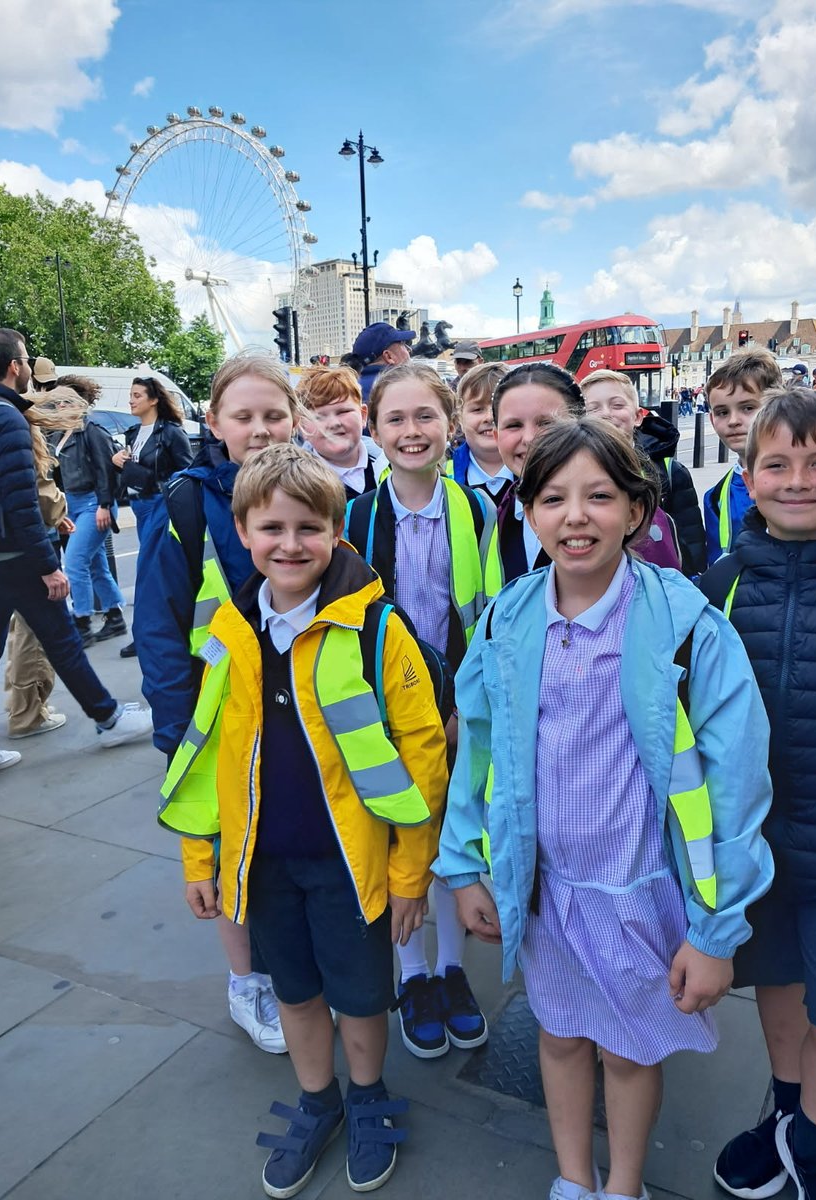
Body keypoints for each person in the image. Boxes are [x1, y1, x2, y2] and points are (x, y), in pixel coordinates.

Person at [437, 416, 774, 1200]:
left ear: (637, 509)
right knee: (558, 1038)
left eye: (599, 495)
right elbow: (476, 757)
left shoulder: (689, 628)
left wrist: (716, 931)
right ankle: (572, 1178)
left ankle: (622, 1186)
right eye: (553, 498)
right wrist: (464, 864)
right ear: (528, 512)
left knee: (628, 1053)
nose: (575, 515)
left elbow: (736, 789)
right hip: (546, 890)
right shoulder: (508, 620)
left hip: (641, 892)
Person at [159, 443, 448, 1197]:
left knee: (359, 996)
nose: (290, 545)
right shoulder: (228, 630)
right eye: (272, 529)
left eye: (308, 529)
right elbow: (204, 754)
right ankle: (318, 1101)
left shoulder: (378, 629)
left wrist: (411, 875)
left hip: (351, 866)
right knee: (294, 992)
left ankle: (367, 1093)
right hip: (264, 863)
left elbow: (421, 761)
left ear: (337, 529)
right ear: (246, 532)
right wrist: (202, 861)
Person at [699, 388, 816, 1200]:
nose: (798, 479)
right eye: (778, 464)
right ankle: (789, 1114)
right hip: (757, 848)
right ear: (750, 477)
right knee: (782, 990)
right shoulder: (724, 581)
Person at [134, 353, 302, 1053]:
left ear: (294, 421)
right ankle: (246, 984)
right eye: (244, 416)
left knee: (279, 847)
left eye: (274, 415)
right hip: (215, 721)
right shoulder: (183, 504)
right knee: (229, 852)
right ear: (214, 421)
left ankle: (286, 964)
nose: (260, 429)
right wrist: (176, 732)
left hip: (295, 714)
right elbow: (158, 628)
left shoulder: (312, 493)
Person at [345, 360, 501, 1060]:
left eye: (425, 417)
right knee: (399, 832)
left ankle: (451, 971)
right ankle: (412, 975)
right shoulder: (353, 515)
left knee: (452, 837)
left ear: (452, 425)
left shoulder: (476, 510)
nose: (413, 432)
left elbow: (488, 611)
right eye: (396, 419)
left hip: (461, 703)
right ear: (375, 431)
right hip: (385, 708)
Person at [0, 328, 152, 785]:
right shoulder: (5, 419)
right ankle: (108, 719)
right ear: (15, 367)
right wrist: (48, 565)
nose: (29, 367)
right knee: (62, 639)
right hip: (15, 555)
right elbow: (20, 500)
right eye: (26, 359)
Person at [4, 387, 87, 738]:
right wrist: (59, 511)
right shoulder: (17, 423)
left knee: (18, 631)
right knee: (35, 633)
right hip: (32, 543)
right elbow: (37, 488)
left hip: (3, 545)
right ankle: (28, 715)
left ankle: (23, 709)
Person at [111, 376, 193, 658]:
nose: (131, 400)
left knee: (148, 573)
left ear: (154, 399)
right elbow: (132, 465)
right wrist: (119, 462)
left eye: (137, 395)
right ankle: (151, 632)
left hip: (159, 504)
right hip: (138, 505)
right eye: (131, 395)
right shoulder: (133, 433)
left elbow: (186, 473)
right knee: (151, 572)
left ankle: (147, 634)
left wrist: (156, 484)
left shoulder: (170, 432)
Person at [47, 384, 126, 647]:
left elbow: (106, 469)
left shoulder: (91, 431)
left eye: (65, 403)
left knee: (76, 562)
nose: (60, 408)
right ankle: (114, 616)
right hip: (74, 503)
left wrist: (105, 504)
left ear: (78, 404)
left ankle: (82, 622)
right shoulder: (59, 434)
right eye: (57, 404)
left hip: (94, 502)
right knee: (95, 565)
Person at [581, 369, 683, 570]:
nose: (606, 414)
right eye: (593, 408)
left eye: (617, 405)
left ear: (637, 416)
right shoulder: (574, 474)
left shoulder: (670, 472)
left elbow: (689, 540)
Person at [492, 362, 583, 581]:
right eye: (514, 425)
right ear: (496, 437)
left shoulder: (615, 510)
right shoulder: (494, 517)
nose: (530, 438)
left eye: (546, 423)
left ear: (581, 427)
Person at [699, 349, 783, 565]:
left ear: (777, 406)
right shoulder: (716, 497)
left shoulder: (807, 481)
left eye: (748, 408)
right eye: (722, 412)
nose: (734, 421)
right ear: (711, 419)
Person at [296, 365, 379, 499]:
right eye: (319, 417)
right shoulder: (296, 486)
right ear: (303, 426)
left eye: (343, 412)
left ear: (363, 415)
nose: (334, 423)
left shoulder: (389, 465)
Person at [449, 362, 513, 500]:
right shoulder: (444, 475)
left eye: (498, 408)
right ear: (459, 417)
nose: (490, 417)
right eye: (477, 409)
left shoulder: (539, 471)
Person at [350, 322, 416, 404]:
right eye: (402, 344)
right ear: (388, 356)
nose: (409, 349)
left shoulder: (352, 390)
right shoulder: (406, 386)